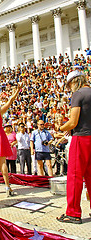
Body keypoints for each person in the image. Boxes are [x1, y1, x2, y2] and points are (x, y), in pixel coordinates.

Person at [57, 70, 91, 224]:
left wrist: (60, 129)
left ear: (74, 81)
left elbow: (73, 122)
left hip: (81, 138)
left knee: (75, 176)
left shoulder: (78, 94)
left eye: (69, 84)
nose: (69, 88)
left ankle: (73, 212)